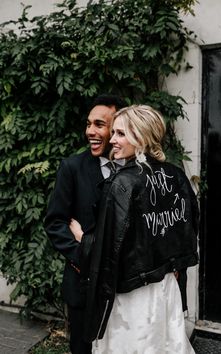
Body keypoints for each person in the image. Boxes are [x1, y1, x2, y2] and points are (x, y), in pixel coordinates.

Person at [71, 105, 199, 354]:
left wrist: (81, 238)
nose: (113, 139)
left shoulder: (121, 183)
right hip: (164, 288)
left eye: (120, 134)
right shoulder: (176, 175)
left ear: (140, 137)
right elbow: (187, 229)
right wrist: (173, 267)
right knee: (165, 346)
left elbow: (108, 250)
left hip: (132, 296)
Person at [44, 94, 125, 354]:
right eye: (89, 124)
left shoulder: (134, 167)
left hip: (125, 289)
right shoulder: (72, 167)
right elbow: (56, 222)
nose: (90, 131)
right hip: (82, 285)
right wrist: (83, 256)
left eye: (99, 124)